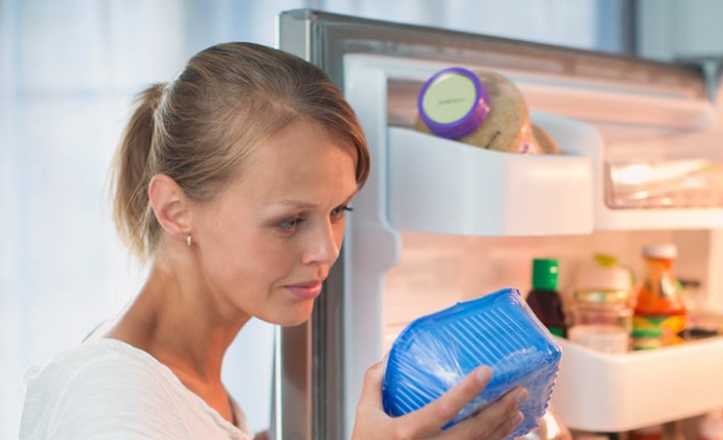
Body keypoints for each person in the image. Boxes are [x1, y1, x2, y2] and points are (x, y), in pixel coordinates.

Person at [19, 42, 525, 440]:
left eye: (337, 212)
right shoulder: (110, 401)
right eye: (289, 221)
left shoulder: (189, 385)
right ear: (175, 210)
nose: (325, 251)